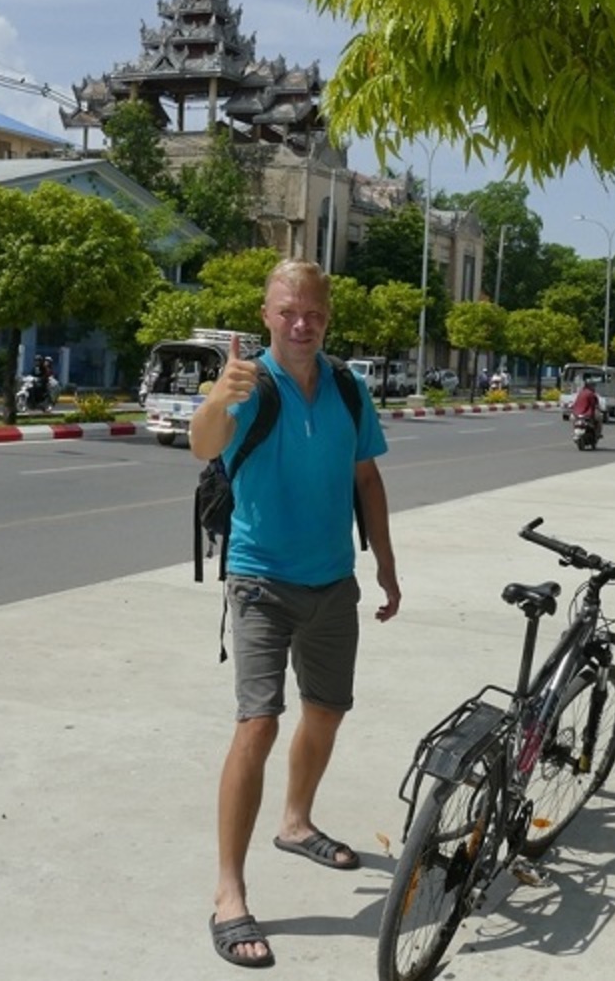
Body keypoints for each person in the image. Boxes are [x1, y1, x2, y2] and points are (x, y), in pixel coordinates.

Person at [190, 259, 400, 970]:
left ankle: (296, 822)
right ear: (266, 313)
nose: (301, 323)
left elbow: (366, 477)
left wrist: (387, 568)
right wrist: (219, 395)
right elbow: (203, 443)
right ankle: (229, 893)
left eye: (313, 311)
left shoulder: (348, 387)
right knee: (258, 723)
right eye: (288, 311)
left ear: (328, 315)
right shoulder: (249, 384)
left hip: (333, 581)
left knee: (327, 710)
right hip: (259, 581)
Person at [570, 378, 603, 444]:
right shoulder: (591, 394)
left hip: (576, 414)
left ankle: (575, 433)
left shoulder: (580, 393)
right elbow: (594, 405)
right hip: (587, 413)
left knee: (573, 420)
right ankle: (598, 433)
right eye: (593, 385)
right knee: (600, 418)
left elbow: (575, 404)